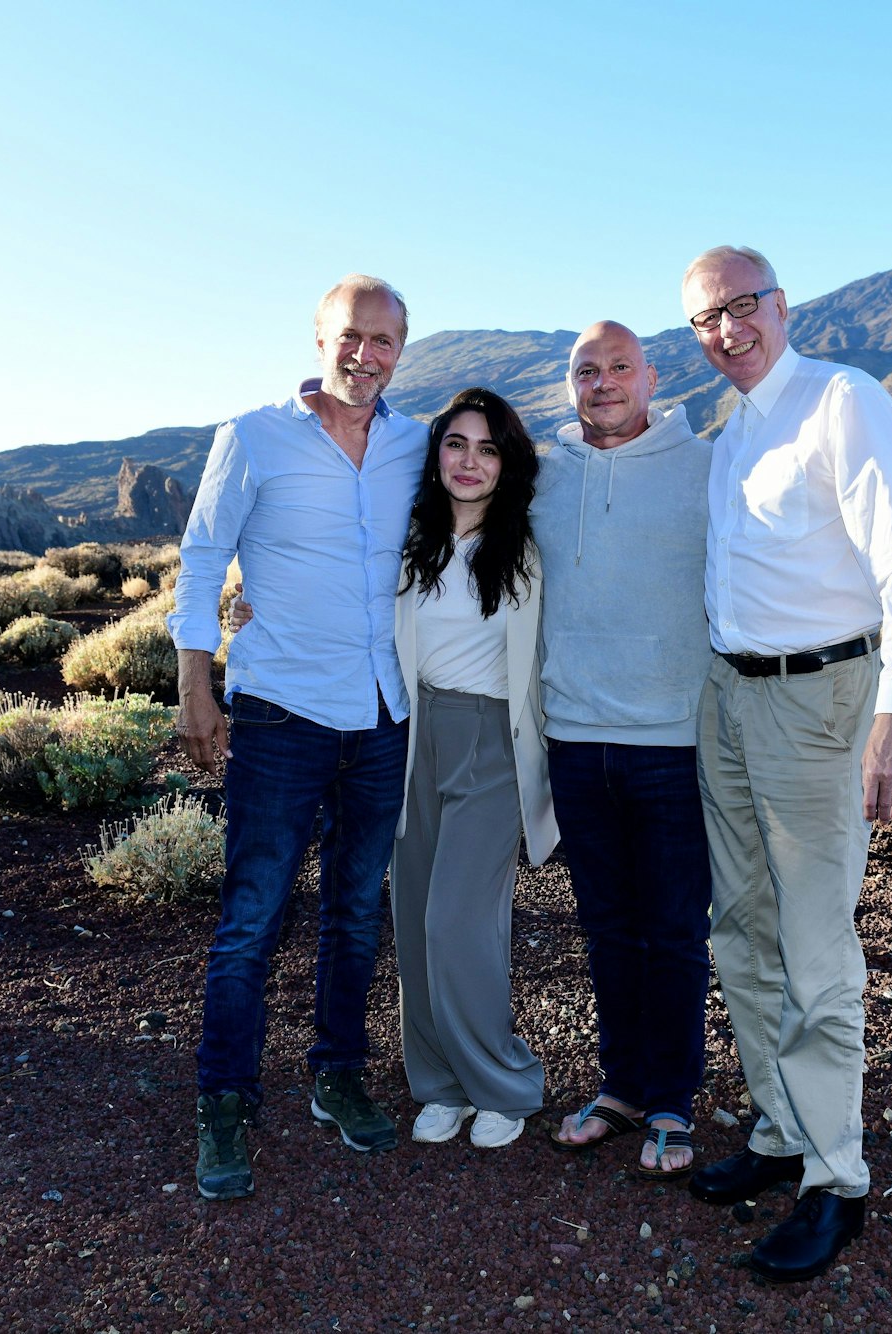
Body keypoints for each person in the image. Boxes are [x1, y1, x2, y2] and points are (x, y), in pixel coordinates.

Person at [679, 246, 892, 1281]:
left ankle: (836, 1177)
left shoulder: (842, 400)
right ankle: (779, 1128)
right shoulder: (727, 433)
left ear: (778, 306)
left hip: (821, 698)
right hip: (730, 696)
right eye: (705, 319)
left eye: (741, 307)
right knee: (739, 925)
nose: (726, 329)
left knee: (812, 939)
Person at [169, 274, 426, 1202]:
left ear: (403, 348)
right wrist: (198, 688)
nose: (367, 355)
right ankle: (224, 1099)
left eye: (385, 341)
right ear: (320, 341)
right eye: (351, 337)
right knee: (251, 919)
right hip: (280, 715)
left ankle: (335, 1073)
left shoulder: (414, 444)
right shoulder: (254, 437)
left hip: (384, 717)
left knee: (357, 912)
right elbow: (201, 563)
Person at [535, 321, 713, 1180]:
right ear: (567, 385)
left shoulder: (707, 466)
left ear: (651, 377)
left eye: (616, 368)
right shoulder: (539, 476)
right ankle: (621, 1087)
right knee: (607, 928)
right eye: (584, 371)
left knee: (675, 931)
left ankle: (675, 1099)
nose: (601, 383)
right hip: (573, 741)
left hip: (674, 744)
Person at [389, 387, 558, 1150]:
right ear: (436, 453)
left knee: (458, 921)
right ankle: (440, 1084)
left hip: (491, 744)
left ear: (507, 463)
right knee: (414, 919)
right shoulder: (410, 538)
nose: (469, 461)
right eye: (456, 444)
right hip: (413, 739)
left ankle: (504, 1083)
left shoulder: (525, 547)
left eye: (488, 449)